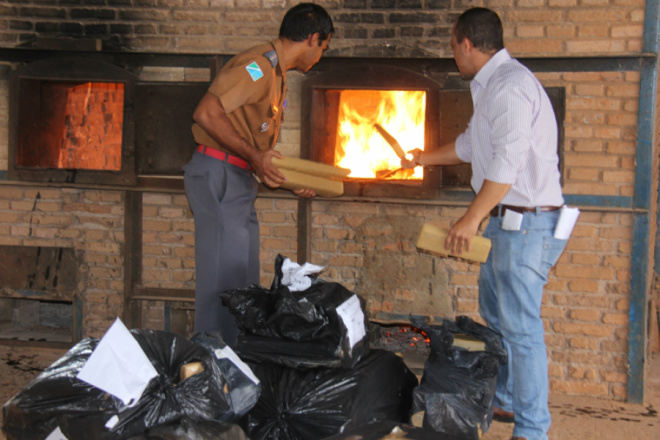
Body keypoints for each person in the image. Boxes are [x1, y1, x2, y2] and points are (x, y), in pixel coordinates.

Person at [402, 8, 567, 440]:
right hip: (504, 223)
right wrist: (422, 159)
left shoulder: (510, 86)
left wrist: (470, 218)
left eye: (453, 43)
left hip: (525, 224)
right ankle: (509, 403)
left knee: (522, 331)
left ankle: (533, 431)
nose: (452, 52)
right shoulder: (490, 85)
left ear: (467, 44)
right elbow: (470, 146)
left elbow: (508, 165)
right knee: (498, 321)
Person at [183, 3, 334, 346]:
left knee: (240, 284)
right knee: (221, 288)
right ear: (313, 39)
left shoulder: (276, 73)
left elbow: (253, 147)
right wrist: (254, 156)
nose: (320, 57)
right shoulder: (259, 67)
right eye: (323, 48)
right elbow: (206, 113)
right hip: (219, 174)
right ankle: (209, 370)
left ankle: (236, 364)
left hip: (236, 178)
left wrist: (290, 179)